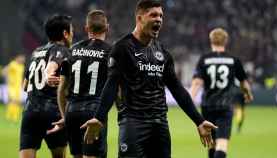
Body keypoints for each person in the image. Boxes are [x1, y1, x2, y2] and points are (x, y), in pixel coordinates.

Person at [81, 1, 217, 158]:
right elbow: (111, 84)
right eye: (153, 15)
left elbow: (177, 89)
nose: (158, 19)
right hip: (133, 123)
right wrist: (98, 118)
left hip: (160, 125)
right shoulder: (122, 48)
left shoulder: (163, 53)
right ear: (139, 18)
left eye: (161, 16)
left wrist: (199, 120)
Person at [48, 10, 111, 158]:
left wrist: (65, 116)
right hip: (94, 113)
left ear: (86, 28)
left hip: (72, 112)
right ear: (107, 28)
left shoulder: (72, 50)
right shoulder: (110, 52)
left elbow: (61, 90)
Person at [190, 28, 254, 158]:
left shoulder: (204, 59)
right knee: (222, 144)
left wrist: (189, 99)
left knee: (212, 143)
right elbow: (243, 83)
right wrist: (248, 93)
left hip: (207, 106)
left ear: (211, 40)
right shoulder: (233, 60)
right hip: (225, 106)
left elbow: (197, 83)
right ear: (226, 41)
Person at [20, 14, 73, 158]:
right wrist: (49, 75)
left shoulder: (36, 52)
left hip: (30, 112)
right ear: (65, 33)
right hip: (53, 112)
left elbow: (25, 86)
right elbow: (51, 65)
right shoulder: (62, 49)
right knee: (59, 156)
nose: (72, 34)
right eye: (71, 30)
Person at [1, 54, 25, 122]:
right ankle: (9, 116)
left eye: (23, 58)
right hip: (12, 86)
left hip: (18, 86)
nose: (23, 59)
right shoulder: (13, 64)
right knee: (12, 100)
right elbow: (4, 70)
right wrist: (7, 79)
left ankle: (15, 116)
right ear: (17, 58)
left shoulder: (22, 66)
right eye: (21, 58)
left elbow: (20, 76)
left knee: (17, 101)